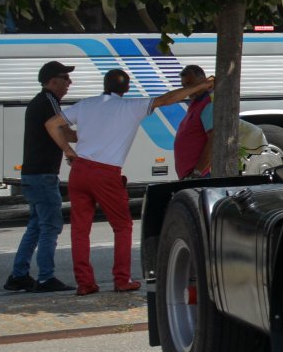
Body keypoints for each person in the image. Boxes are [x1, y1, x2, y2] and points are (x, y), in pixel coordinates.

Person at [46, 67, 214, 296]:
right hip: (106, 173)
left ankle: (85, 283)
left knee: (80, 229)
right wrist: (201, 86)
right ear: (127, 88)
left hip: (79, 171)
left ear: (105, 85)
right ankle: (121, 279)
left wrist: (68, 150)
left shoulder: (85, 105)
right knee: (122, 226)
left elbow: (52, 124)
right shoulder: (130, 107)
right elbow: (168, 99)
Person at [4, 61, 77, 293]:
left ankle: (19, 275)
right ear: (52, 81)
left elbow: (65, 132)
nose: (69, 83)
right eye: (65, 78)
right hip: (43, 175)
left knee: (36, 226)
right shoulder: (49, 101)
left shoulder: (43, 101)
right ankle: (46, 278)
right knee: (50, 226)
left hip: (33, 174)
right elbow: (58, 129)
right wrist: (69, 148)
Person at [172, 64, 215, 179]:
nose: (188, 90)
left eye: (190, 84)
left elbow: (214, 140)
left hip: (199, 177)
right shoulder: (196, 103)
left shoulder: (208, 104)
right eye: (184, 86)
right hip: (192, 176)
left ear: (202, 80)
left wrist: (197, 172)